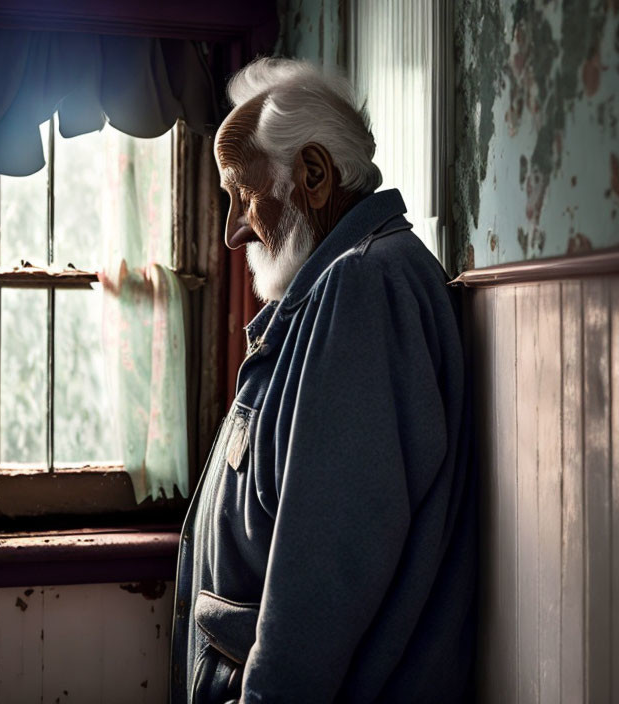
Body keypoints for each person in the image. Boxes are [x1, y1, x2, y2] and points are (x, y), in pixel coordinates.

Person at [169, 58, 476, 703]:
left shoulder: (363, 285)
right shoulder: (339, 284)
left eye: (240, 195)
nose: (232, 230)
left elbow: (322, 579)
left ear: (312, 174)